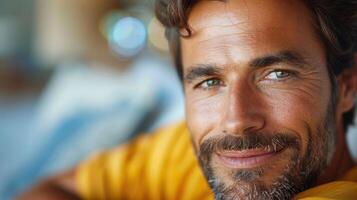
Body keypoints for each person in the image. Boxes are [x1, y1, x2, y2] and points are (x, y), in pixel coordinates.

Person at [17, 0, 357, 199]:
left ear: (347, 86)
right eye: (210, 81)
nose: (236, 119)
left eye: (277, 74)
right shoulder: (191, 153)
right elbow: (61, 187)